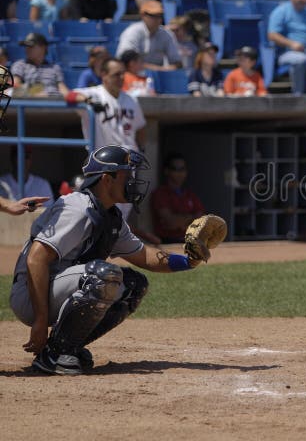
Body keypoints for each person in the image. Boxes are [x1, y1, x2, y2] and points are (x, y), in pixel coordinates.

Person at [8, 144, 223, 375]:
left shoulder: (111, 216)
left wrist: (189, 261)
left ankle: (65, 346)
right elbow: (36, 259)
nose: (132, 180)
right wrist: (40, 321)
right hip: (31, 294)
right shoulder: (77, 208)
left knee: (134, 285)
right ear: (106, 179)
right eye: (126, 175)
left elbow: (146, 256)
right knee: (103, 276)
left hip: (60, 287)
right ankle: (52, 356)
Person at [65, 57, 146, 152]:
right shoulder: (94, 94)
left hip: (128, 156)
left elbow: (140, 127)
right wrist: (88, 101)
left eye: (123, 74)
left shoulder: (131, 99)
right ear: (104, 75)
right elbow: (70, 95)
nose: (122, 78)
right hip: (102, 156)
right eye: (117, 74)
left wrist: (141, 149)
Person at [151, 152, 206, 243]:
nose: (180, 173)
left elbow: (202, 221)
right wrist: (191, 218)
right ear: (167, 171)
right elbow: (171, 222)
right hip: (167, 243)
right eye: (175, 169)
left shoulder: (189, 194)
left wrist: (181, 220)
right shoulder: (160, 194)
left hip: (189, 242)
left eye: (182, 169)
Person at [116, 0, 183, 72]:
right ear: (143, 15)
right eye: (153, 15)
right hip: (133, 75)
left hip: (158, 78)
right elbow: (127, 61)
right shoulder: (132, 32)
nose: (157, 19)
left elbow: (178, 63)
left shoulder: (167, 34)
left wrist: (161, 70)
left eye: (160, 15)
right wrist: (160, 69)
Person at [11, 33, 69, 98]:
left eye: (31, 46)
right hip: (31, 104)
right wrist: (34, 93)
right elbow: (14, 87)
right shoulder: (20, 65)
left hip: (54, 103)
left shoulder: (55, 67)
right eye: (26, 46)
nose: (27, 49)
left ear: (43, 47)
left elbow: (63, 89)